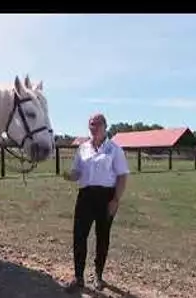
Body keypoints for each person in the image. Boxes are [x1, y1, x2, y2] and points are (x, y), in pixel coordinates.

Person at [62, 113, 129, 293]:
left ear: (105, 126)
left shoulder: (114, 149)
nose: (93, 127)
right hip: (85, 196)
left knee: (102, 236)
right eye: (91, 124)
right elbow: (77, 172)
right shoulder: (83, 148)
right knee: (79, 235)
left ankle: (99, 275)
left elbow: (122, 176)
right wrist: (70, 176)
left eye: (97, 124)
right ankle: (78, 277)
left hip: (106, 197)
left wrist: (115, 200)